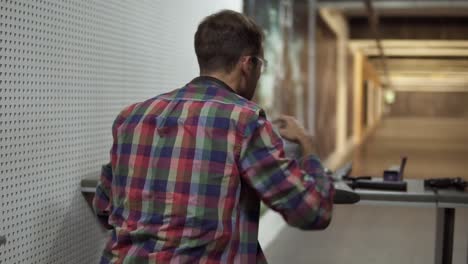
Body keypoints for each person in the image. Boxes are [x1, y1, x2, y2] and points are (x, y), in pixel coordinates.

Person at [93, 9, 335, 263]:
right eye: (260, 65)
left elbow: (103, 206)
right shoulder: (245, 121)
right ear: (247, 64)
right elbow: (313, 211)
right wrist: (307, 146)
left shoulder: (132, 116)